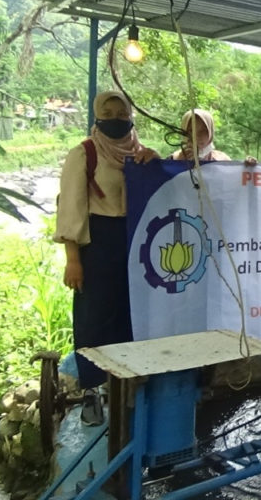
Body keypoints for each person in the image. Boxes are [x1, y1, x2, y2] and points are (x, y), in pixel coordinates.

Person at [54, 90, 159, 426]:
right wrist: (73, 258)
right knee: (94, 316)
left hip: (133, 242)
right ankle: (91, 392)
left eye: (121, 113)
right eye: (108, 113)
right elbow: (70, 208)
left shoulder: (140, 154)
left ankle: (122, 388)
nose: (115, 119)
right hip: (96, 244)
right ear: (97, 116)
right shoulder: (83, 154)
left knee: (129, 314)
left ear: (131, 117)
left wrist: (155, 163)